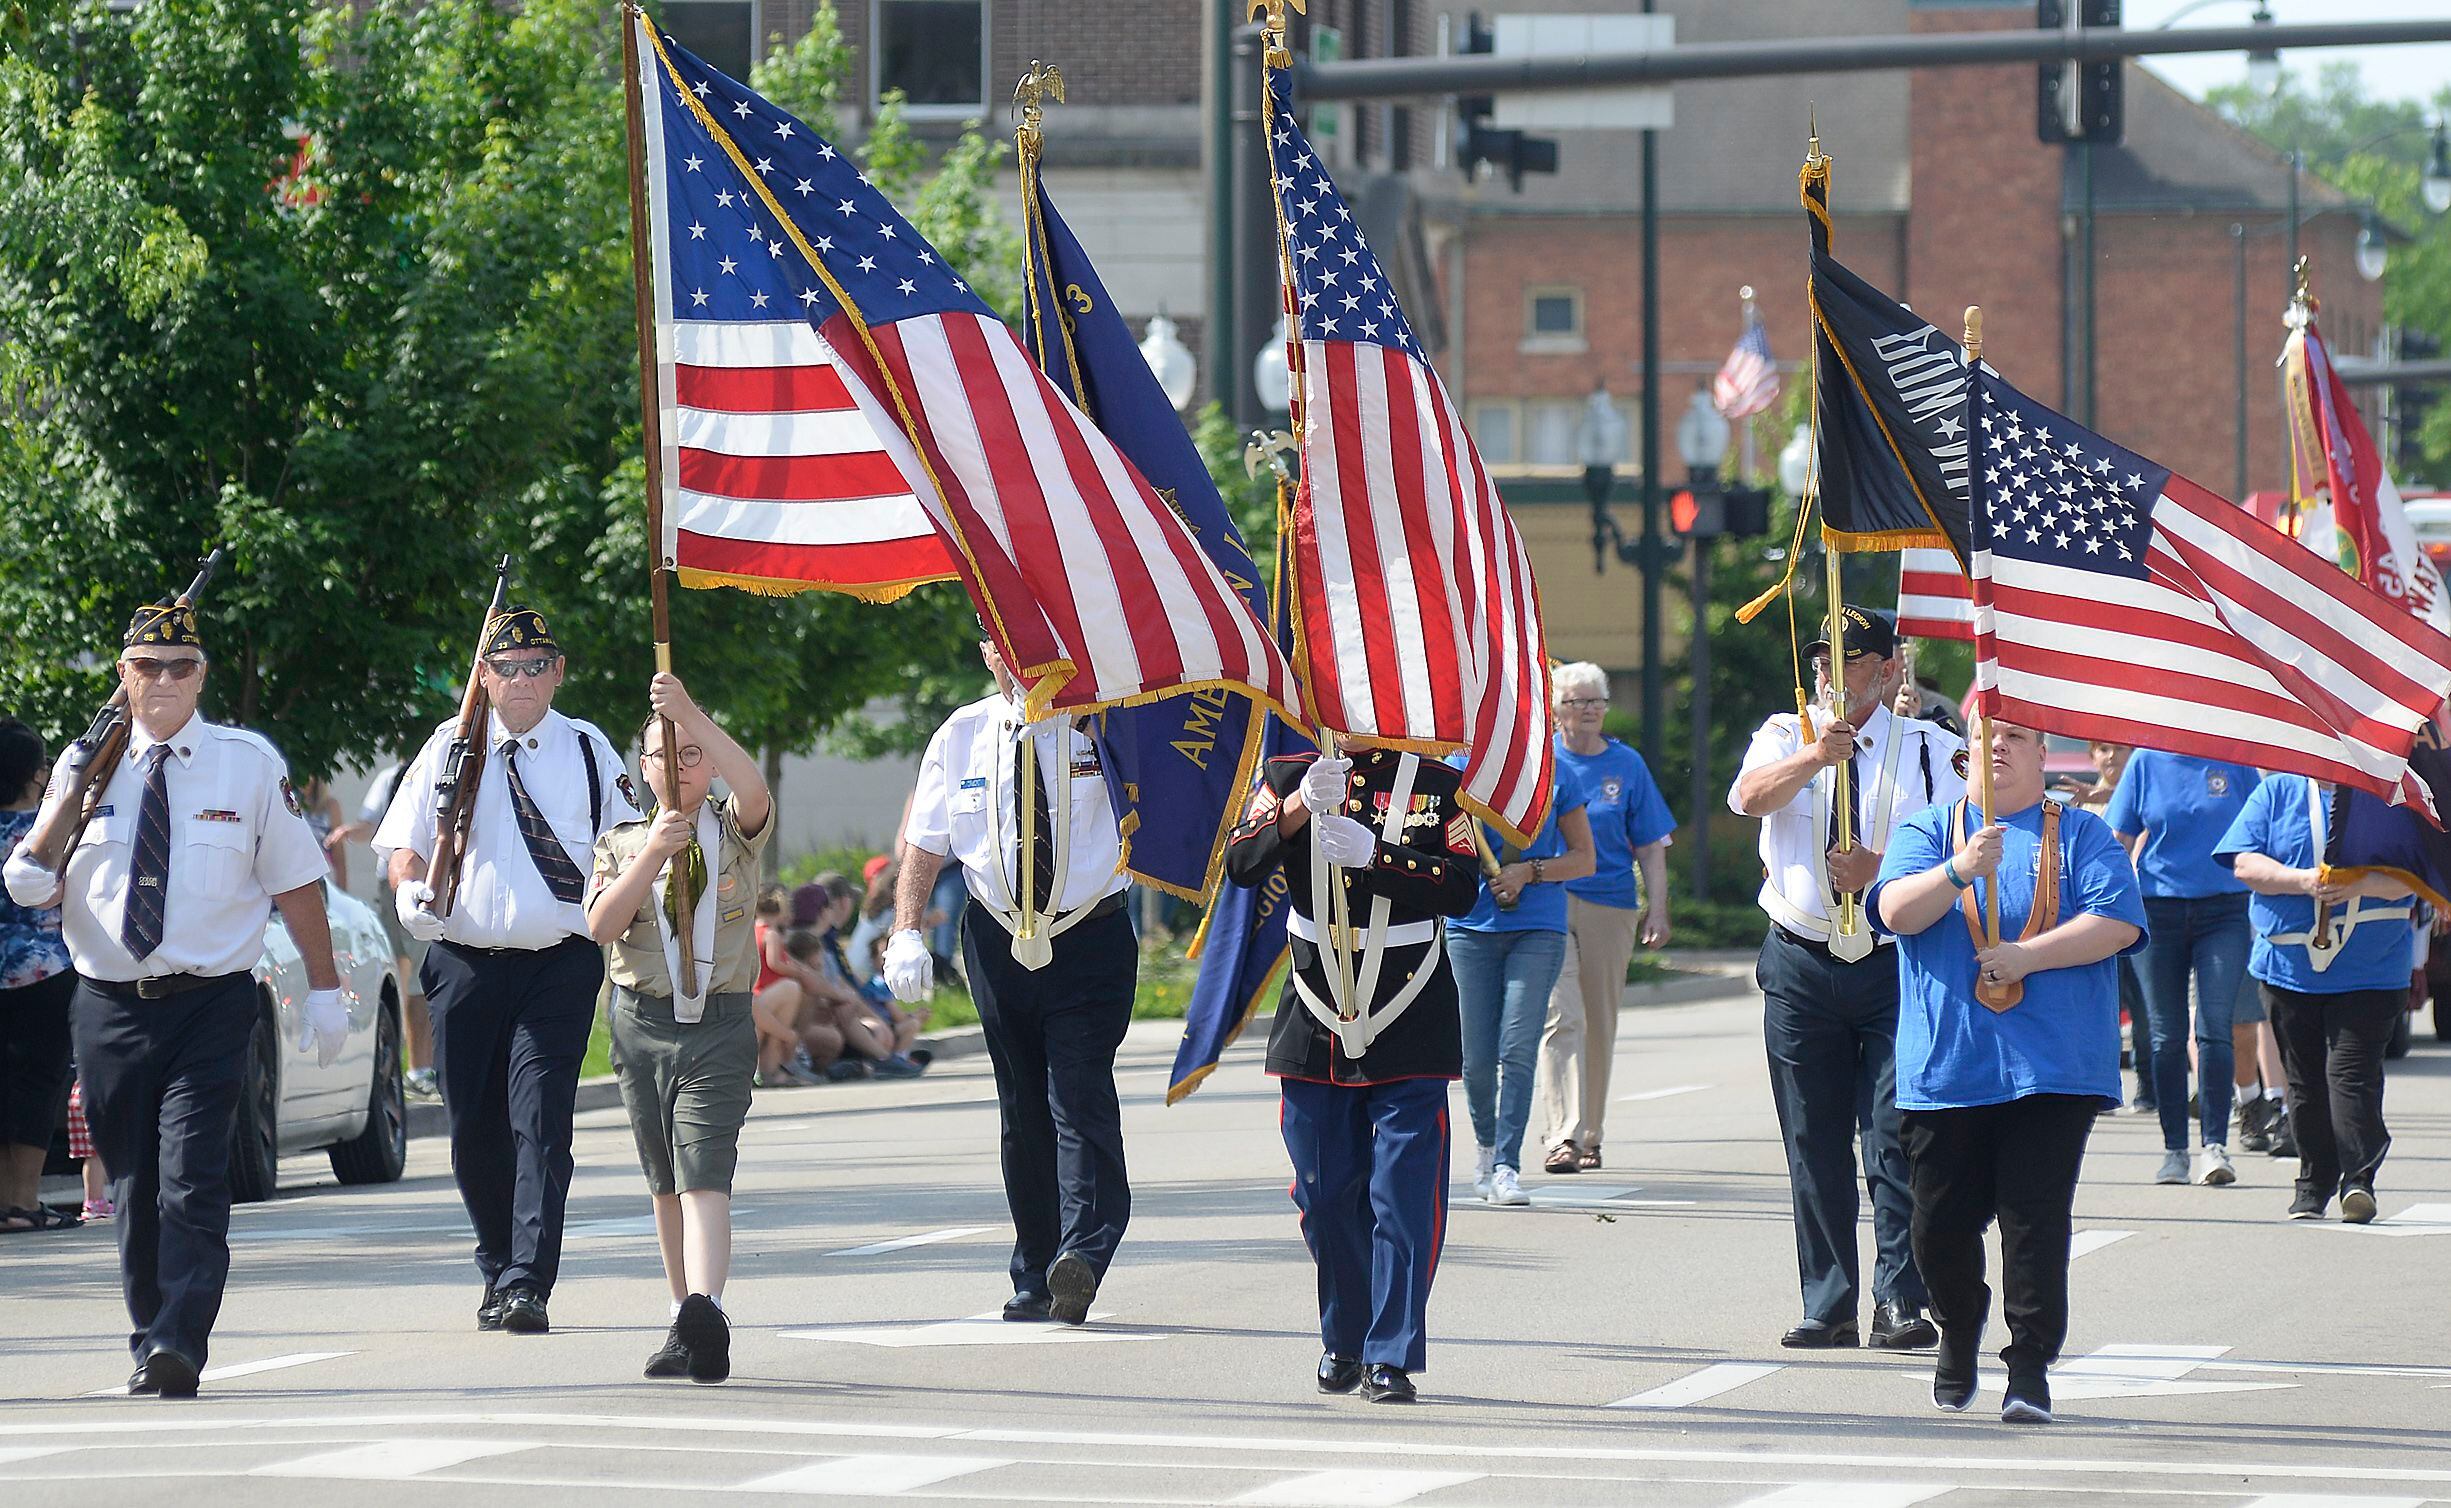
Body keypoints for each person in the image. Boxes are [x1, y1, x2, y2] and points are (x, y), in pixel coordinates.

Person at [3, 596, 347, 1397]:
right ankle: (148, 1331)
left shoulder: (246, 763)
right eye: (148, 667)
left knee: (192, 1173)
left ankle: (180, 1341)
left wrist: (326, 988)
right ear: (123, 676)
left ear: (202, 677)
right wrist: (29, 869)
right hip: (107, 1002)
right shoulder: (84, 764)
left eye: (180, 667)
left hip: (210, 999)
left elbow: (296, 881)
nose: (164, 680)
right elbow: (36, 865)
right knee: (132, 1183)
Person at [374, 605, 642, 1336]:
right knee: (473, 1128)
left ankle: (528, 1280)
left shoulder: (588, 751)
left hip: (557, 964)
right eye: (506, 668)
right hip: (462, 962)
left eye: (535, 667)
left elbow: (622, 851)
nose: (521, 680)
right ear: (483, 676)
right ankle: (497, 1262)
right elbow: (402, 844)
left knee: (541, 1121)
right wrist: (411, 891)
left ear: (557, 673)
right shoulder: (449, 745)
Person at [1869, 717, 2145, 1425]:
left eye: (2016, 737)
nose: (1998, 746)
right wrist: (1960, 867)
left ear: (2042, 754)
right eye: (1985, 735)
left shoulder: (2076, 833)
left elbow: (2116, 923)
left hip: (2051, 1066)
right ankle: (1958, 1328)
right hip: (1946, 1067)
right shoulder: (1930, 828)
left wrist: (2028, 957)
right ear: (1963, 752)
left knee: (2033, 1218)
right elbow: (1895, 912)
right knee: (1937, 1225)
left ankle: (2028, 1367)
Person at [1728, 606, 1963, 1351]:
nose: (1833, 674)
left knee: (1894, 1137)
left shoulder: (1926, 748)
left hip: (1896, 962)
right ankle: (1826, 1300)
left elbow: (1957, 848)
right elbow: (1748, 799)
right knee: (1812, 1139)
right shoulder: (1782, 733)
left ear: (1889, 668)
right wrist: (1811, 759)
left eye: (1853, 660)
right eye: (1825, 660)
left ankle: (1900, 1300)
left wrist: (1881, 872)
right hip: (1802, 958)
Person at [885, 633, 1136, 1327]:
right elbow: (925, 843)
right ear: (985, 652)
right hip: (996, 936)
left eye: (1027, 644)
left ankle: (1082, 1250)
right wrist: (905, 929)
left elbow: (1169, 794)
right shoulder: (961, 733)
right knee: (1020, 1109)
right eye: (1002, 646)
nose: (1016, 661)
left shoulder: (1108, 719)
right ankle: (1036, 1272)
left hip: (1087, 930)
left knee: (1076, 1093)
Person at [1223, 740, 1482, 1403]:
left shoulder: (1436, 781)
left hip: (1410, 1003)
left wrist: (1378, 856)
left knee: (1401, 1195)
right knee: (1323, 1194)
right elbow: (1241, 864)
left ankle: (1389, 1352)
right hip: (1316, 1008)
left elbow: (1460, 888)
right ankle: (1345, 1336)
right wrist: (1294, 807)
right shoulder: (1289, 772)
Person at [587, 672, 771, 1383]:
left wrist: (688, 710)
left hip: (719, 1022)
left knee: (703, 1171)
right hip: (641, 1023)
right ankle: (681, 1318)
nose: (681, 766)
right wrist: (652, 855)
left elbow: (751, 790)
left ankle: (708, 1306)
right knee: (663, 1178)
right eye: (665, 755)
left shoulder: (733, 830)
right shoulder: (622, 841)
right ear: (643, 769)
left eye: (694, 753)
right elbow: (601, 925)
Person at [2215, 775, 2423, 1223]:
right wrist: (2303, 881)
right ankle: (2313, 1182)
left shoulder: (2388, 792)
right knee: (2305, 1082)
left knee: (2351, 1076)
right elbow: (2245, 864)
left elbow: (2415, 874)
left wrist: (2359, 884)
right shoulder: (2276, 792)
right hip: (2289, 969)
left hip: (2373, 969)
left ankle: (2358, 1181)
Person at [1538, 665, 1674, 1176]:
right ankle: (1562, 1135)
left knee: (1598, 1021)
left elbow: (1650, 846)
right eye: (1577, 702)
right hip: (1548, 901)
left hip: (1611, 904)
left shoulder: (1626, 764)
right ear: (1556, 709)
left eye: (1597, 701)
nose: (1589, 710)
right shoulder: (1541, 760)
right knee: (1561, 1016)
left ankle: (1590, 1133)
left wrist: (1656, 909)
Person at [2104, 750, 2260, 1187]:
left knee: (2215, 1026)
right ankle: (2175, 1150)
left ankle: (2215, 1145)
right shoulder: (2145, 761)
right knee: (2165, 1034)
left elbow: (2260, 828)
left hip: (2225, 910)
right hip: (2159, 908)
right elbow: (2120, 837)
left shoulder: (2233, 757)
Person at [1450, 752, 1593, 1204]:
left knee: (1517, 1047)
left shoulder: (1554, 771)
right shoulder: (1455, 765)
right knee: (1475, 1060)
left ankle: (1507, 1165)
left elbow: (1584, 859)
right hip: (1469, 927)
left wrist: (1528, 872)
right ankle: (1485, 1148)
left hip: (1538, 927)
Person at [1, 720, 79, 1232]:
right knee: (38, 1083)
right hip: (45, 973)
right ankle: (23, 1203)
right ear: (35, 775)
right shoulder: (48, 832)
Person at [338, 762, 437, 1102]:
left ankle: (422, 1067)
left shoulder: (444, 765)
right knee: (397, 976)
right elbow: (369, 825)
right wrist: (349, 832)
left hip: (425, 884)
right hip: (394, 885)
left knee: (420, 980)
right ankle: (406, 1069)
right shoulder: (394, 776)